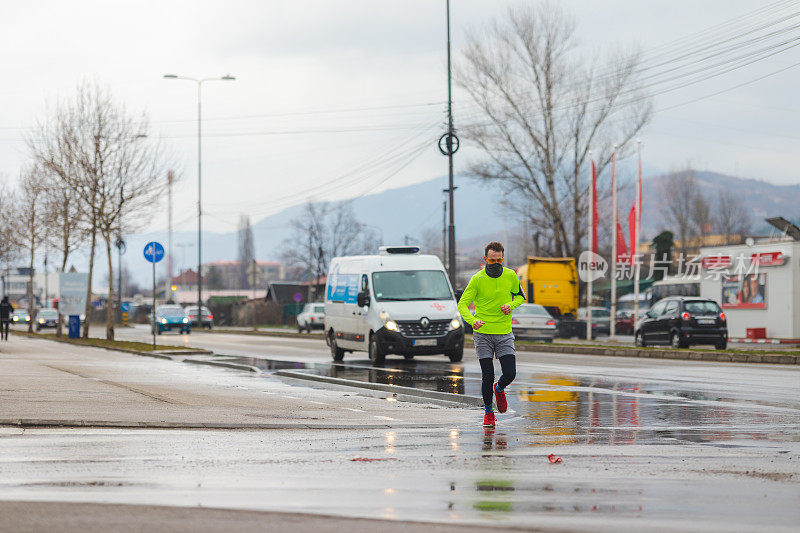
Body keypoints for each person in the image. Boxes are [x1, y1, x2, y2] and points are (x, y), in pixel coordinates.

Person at [457, 242, 526, 428]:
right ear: (485, 259)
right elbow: (462, 304)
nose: (496, 263)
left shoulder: (511, 275)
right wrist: (472, 321)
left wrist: (510, 306)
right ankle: (489, 412)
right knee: (487, 376)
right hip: (483, 334)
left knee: (510, 373)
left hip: (504, 333)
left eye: (499, 260)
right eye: (492, 260)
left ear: (503, 258)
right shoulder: (477, 279)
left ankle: (500, 388)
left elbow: (521, 296)